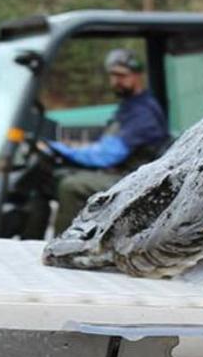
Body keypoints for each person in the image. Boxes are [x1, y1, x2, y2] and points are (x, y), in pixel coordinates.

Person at [45, 48, 171, 234]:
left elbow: (108, 156)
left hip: (133, 178)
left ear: (137, 76)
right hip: (123, 171)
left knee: (70, 186)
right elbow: (108, 145)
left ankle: (60, 248)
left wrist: (62, 149)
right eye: (113, 76)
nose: (115, 81)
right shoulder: (130, 106)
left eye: (122, 76)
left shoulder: (143, 112)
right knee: (57, 176)